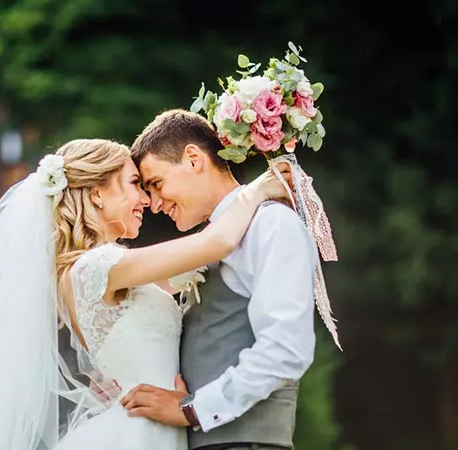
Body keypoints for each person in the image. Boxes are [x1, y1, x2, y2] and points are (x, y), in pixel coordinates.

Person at [0, 137, 291, 450]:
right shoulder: (95, 267)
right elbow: (215, 243)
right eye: (135, 185)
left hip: (156, 424)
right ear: (98, 193)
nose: (146, 201)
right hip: (140, 434)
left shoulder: (98, 269)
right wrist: (254, 192)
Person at [120, 109, 317, 450]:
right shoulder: (207, 243)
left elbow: (286, 349)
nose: (153, 203)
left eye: (156, 183)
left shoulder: (269, 225)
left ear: (193, 159)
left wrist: (193, 409)